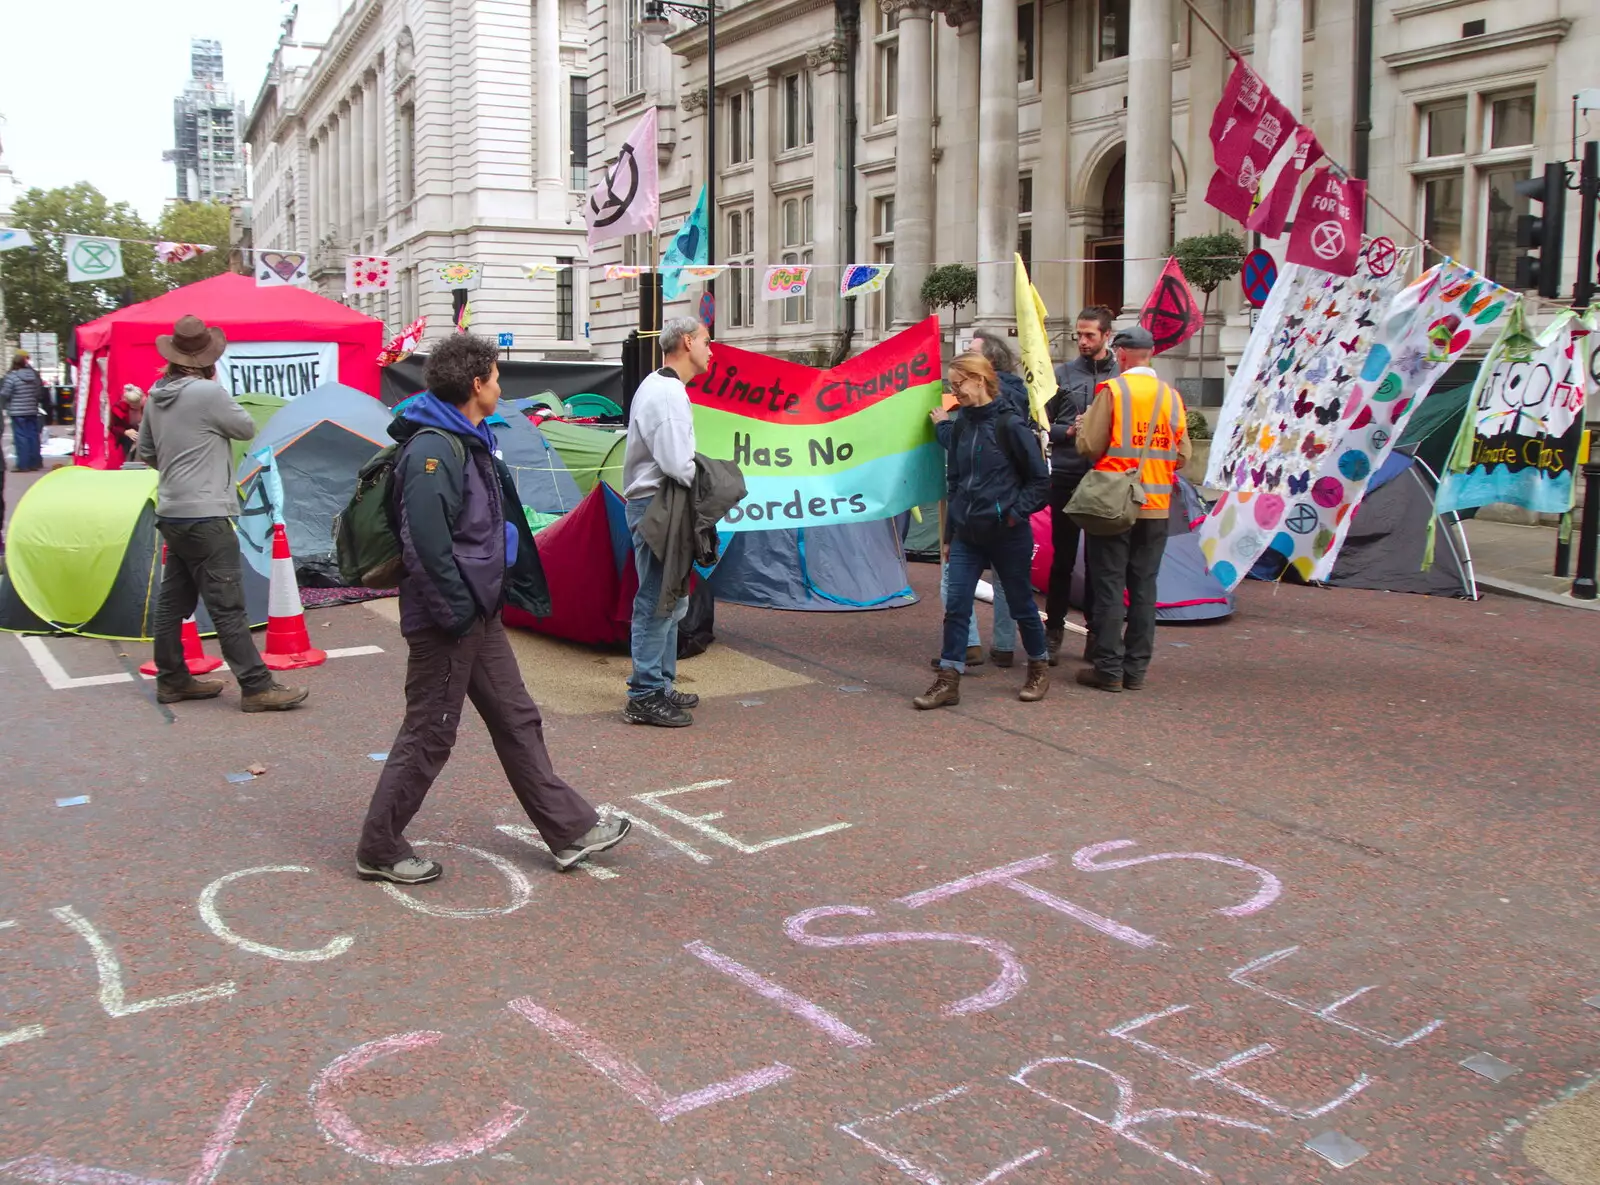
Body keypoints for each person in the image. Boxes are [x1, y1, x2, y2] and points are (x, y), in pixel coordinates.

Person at [356, 333, 629, 884]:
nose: (501, 386)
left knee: (516, 716)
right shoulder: (434, 450)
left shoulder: (466, 436)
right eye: (497, 377)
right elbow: (426, 548)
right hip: (450, 618)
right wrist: (457, 612)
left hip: (475, 613)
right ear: (477, 384)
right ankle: (379, 847)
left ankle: (568, 829)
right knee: (430, 732)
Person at [137, 316, 309, 712]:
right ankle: (255, 685)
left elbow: (146, 451)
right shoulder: (207, 393)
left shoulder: (155, 394)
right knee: (227, 604)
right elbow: (245, 427)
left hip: (173, 509)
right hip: (207, 511)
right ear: (206, 359)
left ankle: (172, 678)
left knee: (172, 602)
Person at [915, 352, 1052, 710]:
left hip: (1007, 534)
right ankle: (948, 680)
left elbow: (1040, 482)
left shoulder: (1010, 425)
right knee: (956, 605)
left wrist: (1011, 515)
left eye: (957, 383)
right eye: (951, 384)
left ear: (979, 380)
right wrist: (950, 535)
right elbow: (956, 480)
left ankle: (1038, 667)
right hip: (968, 534)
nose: (953, 390)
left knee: (1022, 604)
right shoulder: (962, 424)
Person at [1074, 326, 1190, 693]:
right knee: (1144, 588)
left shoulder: (1114, 391)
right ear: (1150, 354)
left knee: (1109, 586)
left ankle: (1108, 668)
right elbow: (1184, 454)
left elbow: (1090, 445)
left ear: (1121, 354)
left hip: (1114, 504)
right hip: (1156, 506)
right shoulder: (1171, 397)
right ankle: (1136, 670)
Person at [622, 316, 712, 728]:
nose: (711, 351)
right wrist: (715, 482)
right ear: (688, 342)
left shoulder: (656, 385)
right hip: (659, 506)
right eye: (707, 342)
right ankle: (644, 694)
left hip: (655, 504)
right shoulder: (669, 393)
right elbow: (678, 463)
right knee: (659, 600)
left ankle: (658, 682)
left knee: (671, 600)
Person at [928, 331, 1026, 671]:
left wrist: (942, 425)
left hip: (981, 508)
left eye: (970, 353)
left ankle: (967, 646)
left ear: (986, 368)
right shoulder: (1018, 396)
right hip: (1003, 508)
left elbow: (964, 444)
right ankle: (1004, 646)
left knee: (953, 580)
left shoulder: (985, 407)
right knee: (1004, 582)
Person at [1044, 307, 1119, 665]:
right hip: (1067, 474)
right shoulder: (1062, 375)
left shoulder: (1122, 376)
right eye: (1079, 335)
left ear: (1107, 335)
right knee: (1062, 558)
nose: (1083, 342)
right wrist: (1068, 431)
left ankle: (1096, 634)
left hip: (1106, 478)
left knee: (1098, 561)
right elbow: (1042, 423)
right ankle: (1054, 630)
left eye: (1090, 335)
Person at [2, 352, 45, 472]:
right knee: (33, 436)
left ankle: (23, 464)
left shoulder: (12, 376)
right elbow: (38, 393)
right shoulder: (33, 376)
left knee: (21, 438)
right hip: (31, 410)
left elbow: (5, 393)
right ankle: (35, 462)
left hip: (17, 411)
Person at [109, 384, 145, 464]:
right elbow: (112, 427)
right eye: (134, 404)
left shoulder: (148, 405)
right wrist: (125, 432)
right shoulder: (118, 409)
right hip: (129, 439)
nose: (137, 405)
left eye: (139, 402)